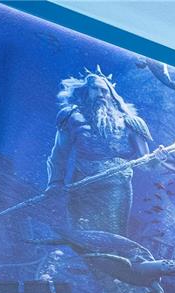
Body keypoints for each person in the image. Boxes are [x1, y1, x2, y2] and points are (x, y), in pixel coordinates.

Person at [46, 68, 154, 235]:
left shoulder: (130, 123)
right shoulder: (72, 118)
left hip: (116, 188)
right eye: (95, 89)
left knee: (110, 235)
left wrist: (160, 157)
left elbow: (147, 163)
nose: (100, 94)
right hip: (81, 185)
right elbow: (59, 154)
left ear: (111, 95)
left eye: (104, 91)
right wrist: (55, 182)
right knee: (80, 235)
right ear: (86, 91)